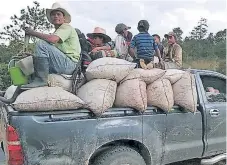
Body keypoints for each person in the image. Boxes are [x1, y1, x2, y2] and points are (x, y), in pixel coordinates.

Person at [22, 2, 81, 88]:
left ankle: (41, 80)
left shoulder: (66, 27)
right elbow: (49, 53)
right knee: (31, 61)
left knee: (42, 44)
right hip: (62, 62)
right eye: (53, 14)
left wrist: (32, 32)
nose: (56, 16)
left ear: (64, 18)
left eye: (58, 14)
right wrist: (33, 56)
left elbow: (52, 39)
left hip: (70, 64)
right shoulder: (57, 32)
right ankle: (19, 91)